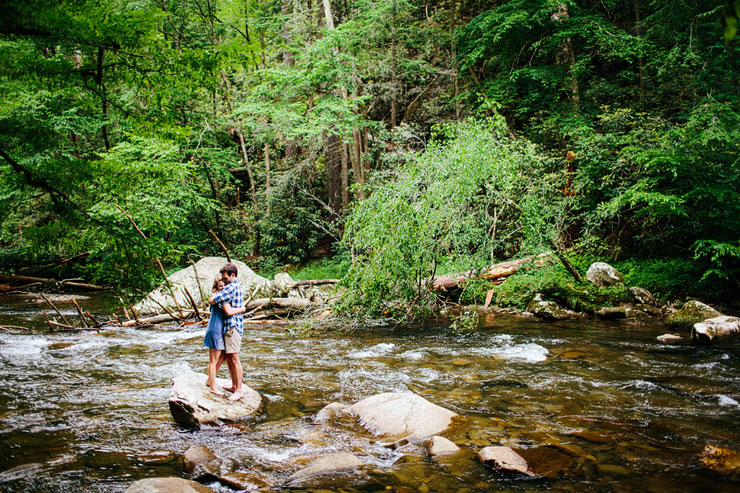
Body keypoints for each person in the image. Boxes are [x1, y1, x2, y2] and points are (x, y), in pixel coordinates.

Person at [208, 263, 245, 401]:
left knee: (234, 358)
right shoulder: (235, 286)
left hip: (232, 327)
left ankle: (239, 390)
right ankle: (234, 386)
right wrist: (242, 309)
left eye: (225, 277)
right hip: (230, 327)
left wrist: (213, 296)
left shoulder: (231, 287)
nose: (224, 280)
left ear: (233, 275)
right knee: (229, 358)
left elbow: (212, 300)